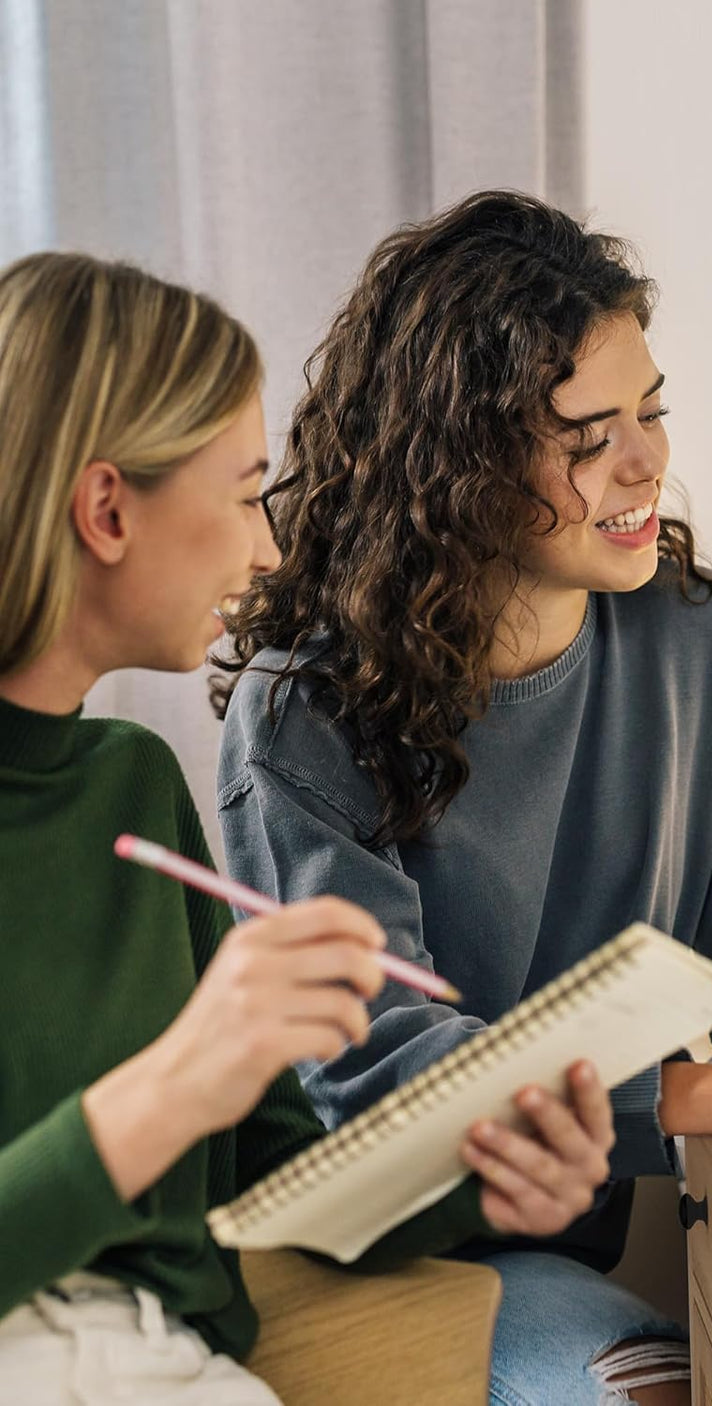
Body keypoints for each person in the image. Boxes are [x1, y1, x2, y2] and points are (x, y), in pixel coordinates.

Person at [214, 190, 712, 1406]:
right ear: (456, 466)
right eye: (588, 436)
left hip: (557, 1250)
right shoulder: (302, 717)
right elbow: (388, 1083)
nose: (645, 462)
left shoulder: (696, 638)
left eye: (651, 412)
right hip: (365, 1270)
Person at [0, 252, 614, 1403]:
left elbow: (282, 1182)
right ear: (107, 509)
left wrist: (482, 1176)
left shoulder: (130, 786)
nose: (269, 550)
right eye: (244, 495)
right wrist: (175, 1082)